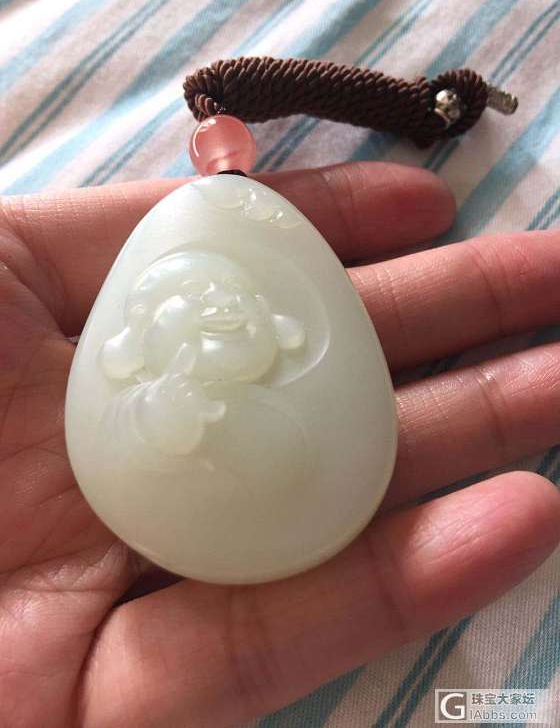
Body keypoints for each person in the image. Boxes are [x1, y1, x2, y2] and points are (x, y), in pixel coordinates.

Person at [1, 161, 559, 728]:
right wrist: (158, 419)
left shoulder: (293, 411)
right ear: (141, 338)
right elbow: (124, 442)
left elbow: (291, 451)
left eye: (237, 294)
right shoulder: (142, 405)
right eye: (193, 294)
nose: (222, 303)